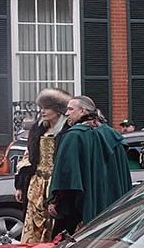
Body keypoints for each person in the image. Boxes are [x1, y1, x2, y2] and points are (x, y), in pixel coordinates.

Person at [49, 96, 132, 235]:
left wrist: (56, 201)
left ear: (83, 111)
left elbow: (66, 177)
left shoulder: (73, 136)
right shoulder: (112, 134)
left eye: (70, 109)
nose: (67, 113)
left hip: (79, 211)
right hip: (112, 211)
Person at [14, 88, 72, 243]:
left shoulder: (68, 131)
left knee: (56, 225)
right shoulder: (37, 129)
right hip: (36, 184)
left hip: (56, 183)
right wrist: (20, 185)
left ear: (58, 110)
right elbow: (27, 158)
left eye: (47, 108)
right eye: (41, 108)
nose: (42, 111)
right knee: (33, 225)